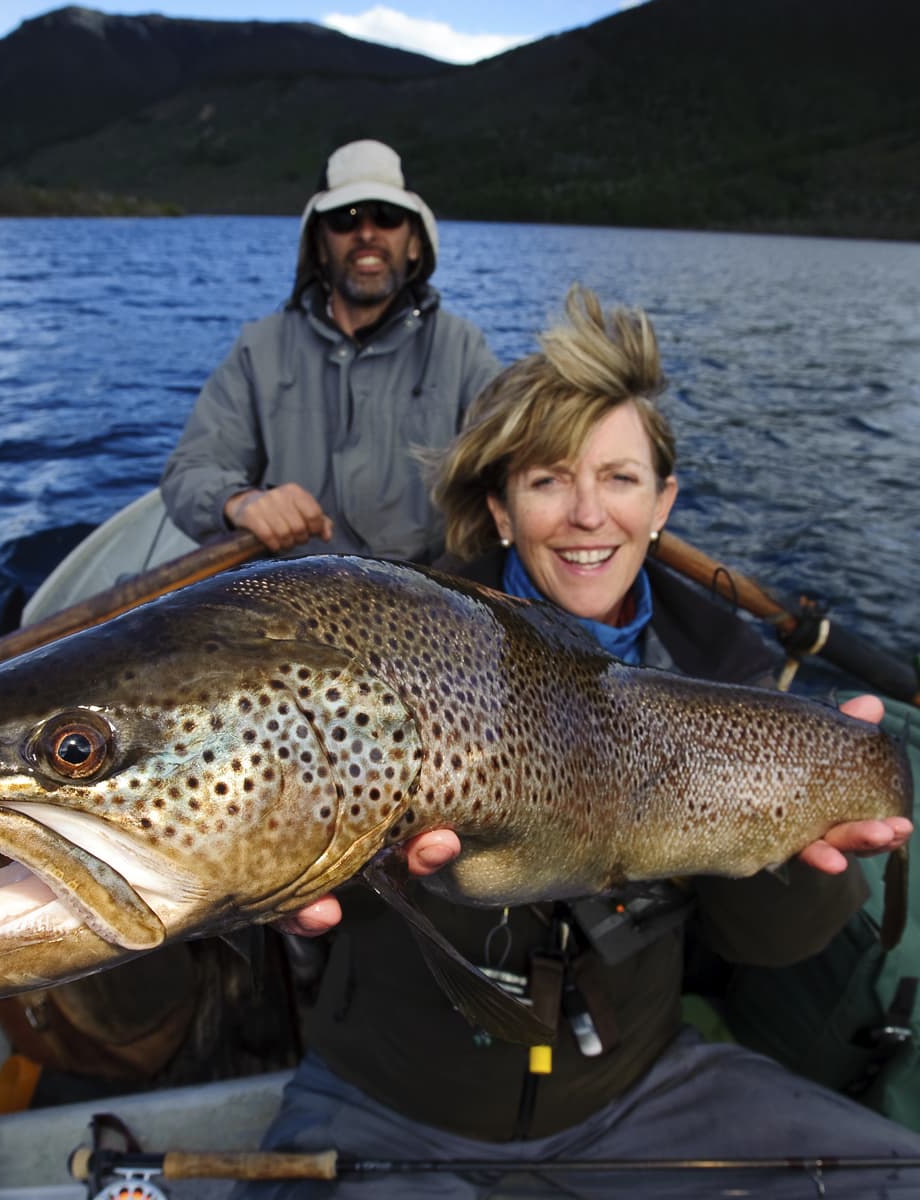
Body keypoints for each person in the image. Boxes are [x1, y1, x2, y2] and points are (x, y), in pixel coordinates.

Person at [239, 286, 917, 1199]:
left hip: (636, 1092)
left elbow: (768, 950)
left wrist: (799, 853)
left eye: (620, 478)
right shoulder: (394, 651)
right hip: (389, 1098)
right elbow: (329, 896)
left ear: (662, 502)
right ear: (504, 509)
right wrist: (288, 881)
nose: (587, 514)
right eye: (550, 479)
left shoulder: (731, 673)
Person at [160, 139, 501, 561]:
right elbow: (189, 472)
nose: (367, 233)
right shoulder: (259, 348)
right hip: (297, 604)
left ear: (414, 242)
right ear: (319, 245)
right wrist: (240, 503)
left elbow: (517, 459)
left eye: (388, 216)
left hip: (429, 598)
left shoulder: (461, 348)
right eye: (345, 218)